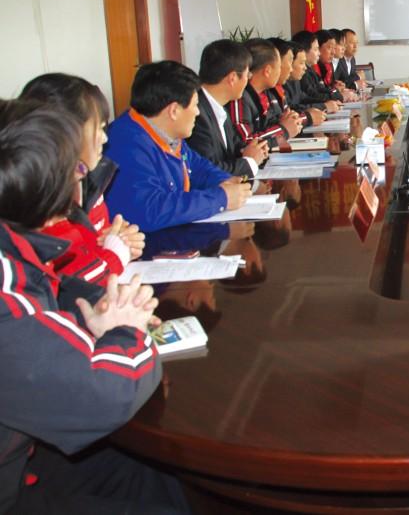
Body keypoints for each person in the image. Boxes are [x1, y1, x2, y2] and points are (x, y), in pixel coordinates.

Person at [0, 99, 188, 514]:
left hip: (30, 448)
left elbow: (54, 291)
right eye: (77, 172)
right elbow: (103, 396)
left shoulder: (14, 246)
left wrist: (97, 309)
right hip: (15, 487)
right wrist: (126, 330)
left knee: (160, 473)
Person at [19, 74, 145, 285]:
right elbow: (56, 287)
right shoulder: (35, 199)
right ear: (66, 132)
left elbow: (96, 247)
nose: (105, 138)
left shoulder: (89, 178)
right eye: (99, 128)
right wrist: (114, 257)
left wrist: (123, 242)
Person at [104, 60, 251, 231]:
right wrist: (221, 199)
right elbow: (149, 209)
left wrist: (224, 180)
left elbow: (197, 167)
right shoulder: (126, 145)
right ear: (173, 111)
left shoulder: (167, 135)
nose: (198, 112)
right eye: (195, 105)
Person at [188, 39, 269, 178]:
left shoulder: (220, 108)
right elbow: (208, 171)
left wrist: (255, 150)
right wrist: (250, 162)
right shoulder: (196, 114)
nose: (248, 81)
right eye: (247, 75)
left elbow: (235, 150)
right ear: (232, 78)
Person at [228, 38, 303, 146]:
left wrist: (287, 121)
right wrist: (283, 129)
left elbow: (268, 126)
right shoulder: (240, 98)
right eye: (279, 67)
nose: (289, 70)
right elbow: (246, 142)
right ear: (267, 71)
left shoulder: (265, 93)